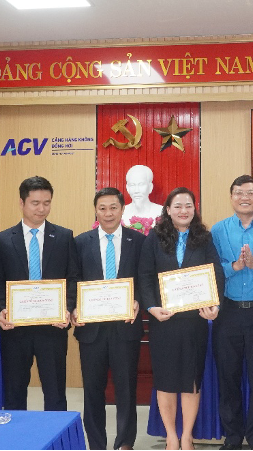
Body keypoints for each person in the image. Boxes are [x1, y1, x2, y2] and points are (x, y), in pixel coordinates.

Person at [138, 187, 223, 451]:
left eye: (188, 205)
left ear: (194, 209)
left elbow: (216, 273)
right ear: (168, 210)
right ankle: (171, 436)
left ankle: (186, 436)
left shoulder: (204, 238)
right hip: (164, 321)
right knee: (165, 381)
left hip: (194, 322)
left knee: (190, 381)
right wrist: (151, 307)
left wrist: (214, 305)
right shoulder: (154, 238)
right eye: (177, 206)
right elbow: (144, 276)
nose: (183, 210)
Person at [69, 188, 145, 451]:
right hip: (91, 330)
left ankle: (125, 443)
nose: (108, 213)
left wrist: (139, 301)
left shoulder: (139, 241)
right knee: (92, 391)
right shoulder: (80, 242)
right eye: (102, 208)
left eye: (113, 207)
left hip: (126, 327)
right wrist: (73, 308)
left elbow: (145, 279)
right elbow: (73, 280)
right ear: (95, 210)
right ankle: (96, 444)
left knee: (126, 390)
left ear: (122, 209)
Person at [211, 175, 253, 451]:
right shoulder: (218, 230)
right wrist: (235, 267)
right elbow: (211, 270)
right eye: (239, 192)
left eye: (250, 193)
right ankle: (232, 436)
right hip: (228, 312)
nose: (244, 197)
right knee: (228, 377)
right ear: (231, 197)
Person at [0, 176, 74, 411]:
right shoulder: (3, 240)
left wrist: (67, 308)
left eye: (47, 203)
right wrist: (1, 309)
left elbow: (73, 278)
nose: (41, 209)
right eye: (35, 203)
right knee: (14, 393)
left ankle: (56, 435)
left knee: (55, 394)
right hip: (15, 330)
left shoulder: (64, 237)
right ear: (22, 203)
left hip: (52, 328)